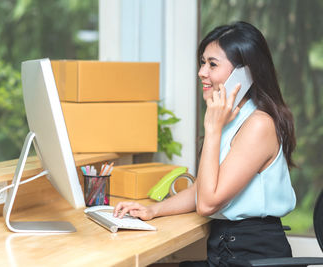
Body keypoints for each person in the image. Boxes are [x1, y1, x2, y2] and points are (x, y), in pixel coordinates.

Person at [113, 21, 297, 267]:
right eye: (202, 62)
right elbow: (201, 190)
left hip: (253, 255)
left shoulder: (258, 125)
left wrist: (212, 128)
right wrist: (153, 211)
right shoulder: (231, 117)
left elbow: (208, 203)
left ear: (245, 73)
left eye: (212, 64)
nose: (202, 72)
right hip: (228, 250)